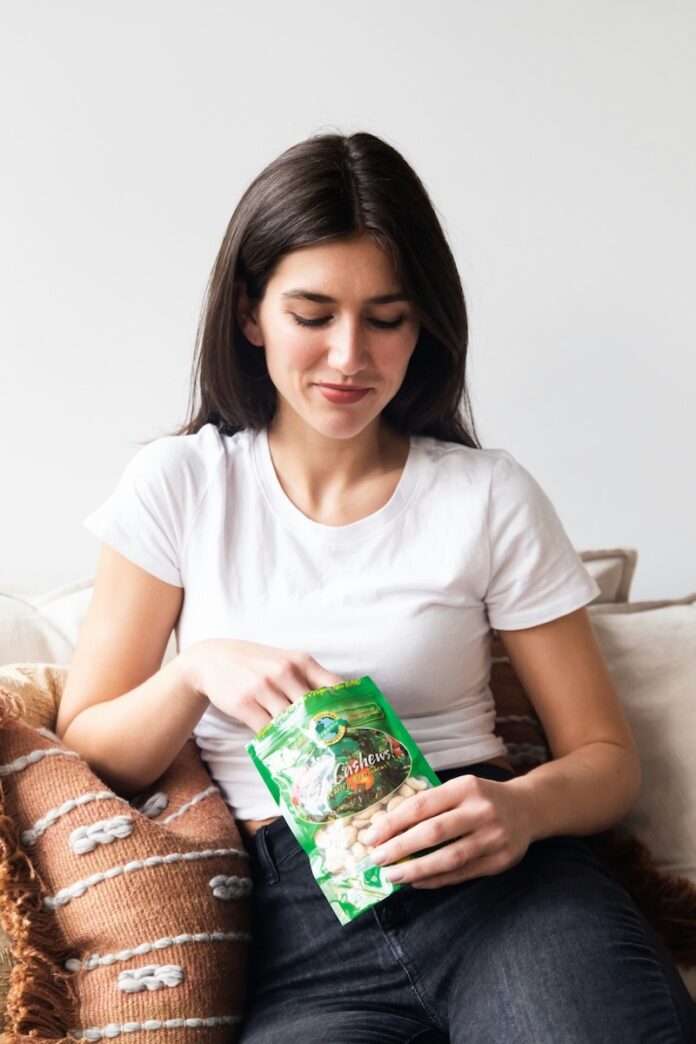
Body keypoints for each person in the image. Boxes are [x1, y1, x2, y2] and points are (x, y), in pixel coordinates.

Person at [58, 131, 696, 1043]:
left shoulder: (487, 495)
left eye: (386, 317)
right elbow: (95, 748)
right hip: (296, 931)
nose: (349, 355)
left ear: (423, 325)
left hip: (506, 895)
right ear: (251, 315)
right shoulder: (181, 484)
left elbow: (605, 757)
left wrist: (518, 807)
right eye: (312, 314)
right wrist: (195, 670)